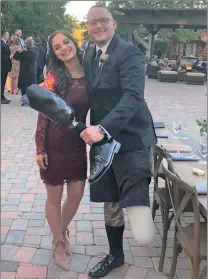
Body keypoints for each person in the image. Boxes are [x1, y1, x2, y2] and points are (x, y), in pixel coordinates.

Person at [81, 4, 156, 278]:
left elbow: (132, 97)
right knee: (110, 199)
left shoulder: (129, 53)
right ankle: (116, 255)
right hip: (103, 144)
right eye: (93, 22)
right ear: (87, 27)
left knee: (142, 225)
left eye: (103, 20)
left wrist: (102, 128)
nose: (98, 26)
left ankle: (143, 225)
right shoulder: (90, 52)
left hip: (132, 138)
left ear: (113, 24)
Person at [35, 30, 89, 270]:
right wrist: (40, 148)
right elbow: (43, 111)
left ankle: (61, 229)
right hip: (54, 141)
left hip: (78, 142)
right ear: (54, 53)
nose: (63, 48)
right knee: (54, 197)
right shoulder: (53, 75)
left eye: (66, 42)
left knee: (76, 194)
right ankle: (58, 242)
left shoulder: (92, 71)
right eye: (57, 47)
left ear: (74, 42)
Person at [13, 37, 39, 106]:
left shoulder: (33, 50)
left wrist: (23, 51)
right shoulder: (24, 51)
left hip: (28, 72)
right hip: (28, 72)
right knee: (25, 87)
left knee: (26, 87)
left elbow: (33, 57)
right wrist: (18, 51)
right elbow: (15, 57)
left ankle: (27, 100)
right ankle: (25, 100)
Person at [1, 30, 12, 104]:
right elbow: (1, 56)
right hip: (2, 66)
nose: (8, 36)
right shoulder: (1, 43)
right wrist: (10, 56)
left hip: (5, 66)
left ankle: (2, 96)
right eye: (7, 35)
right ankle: (1, 98)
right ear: (4, 35)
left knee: (3, 82)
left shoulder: (5, 43)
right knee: (1, 83)